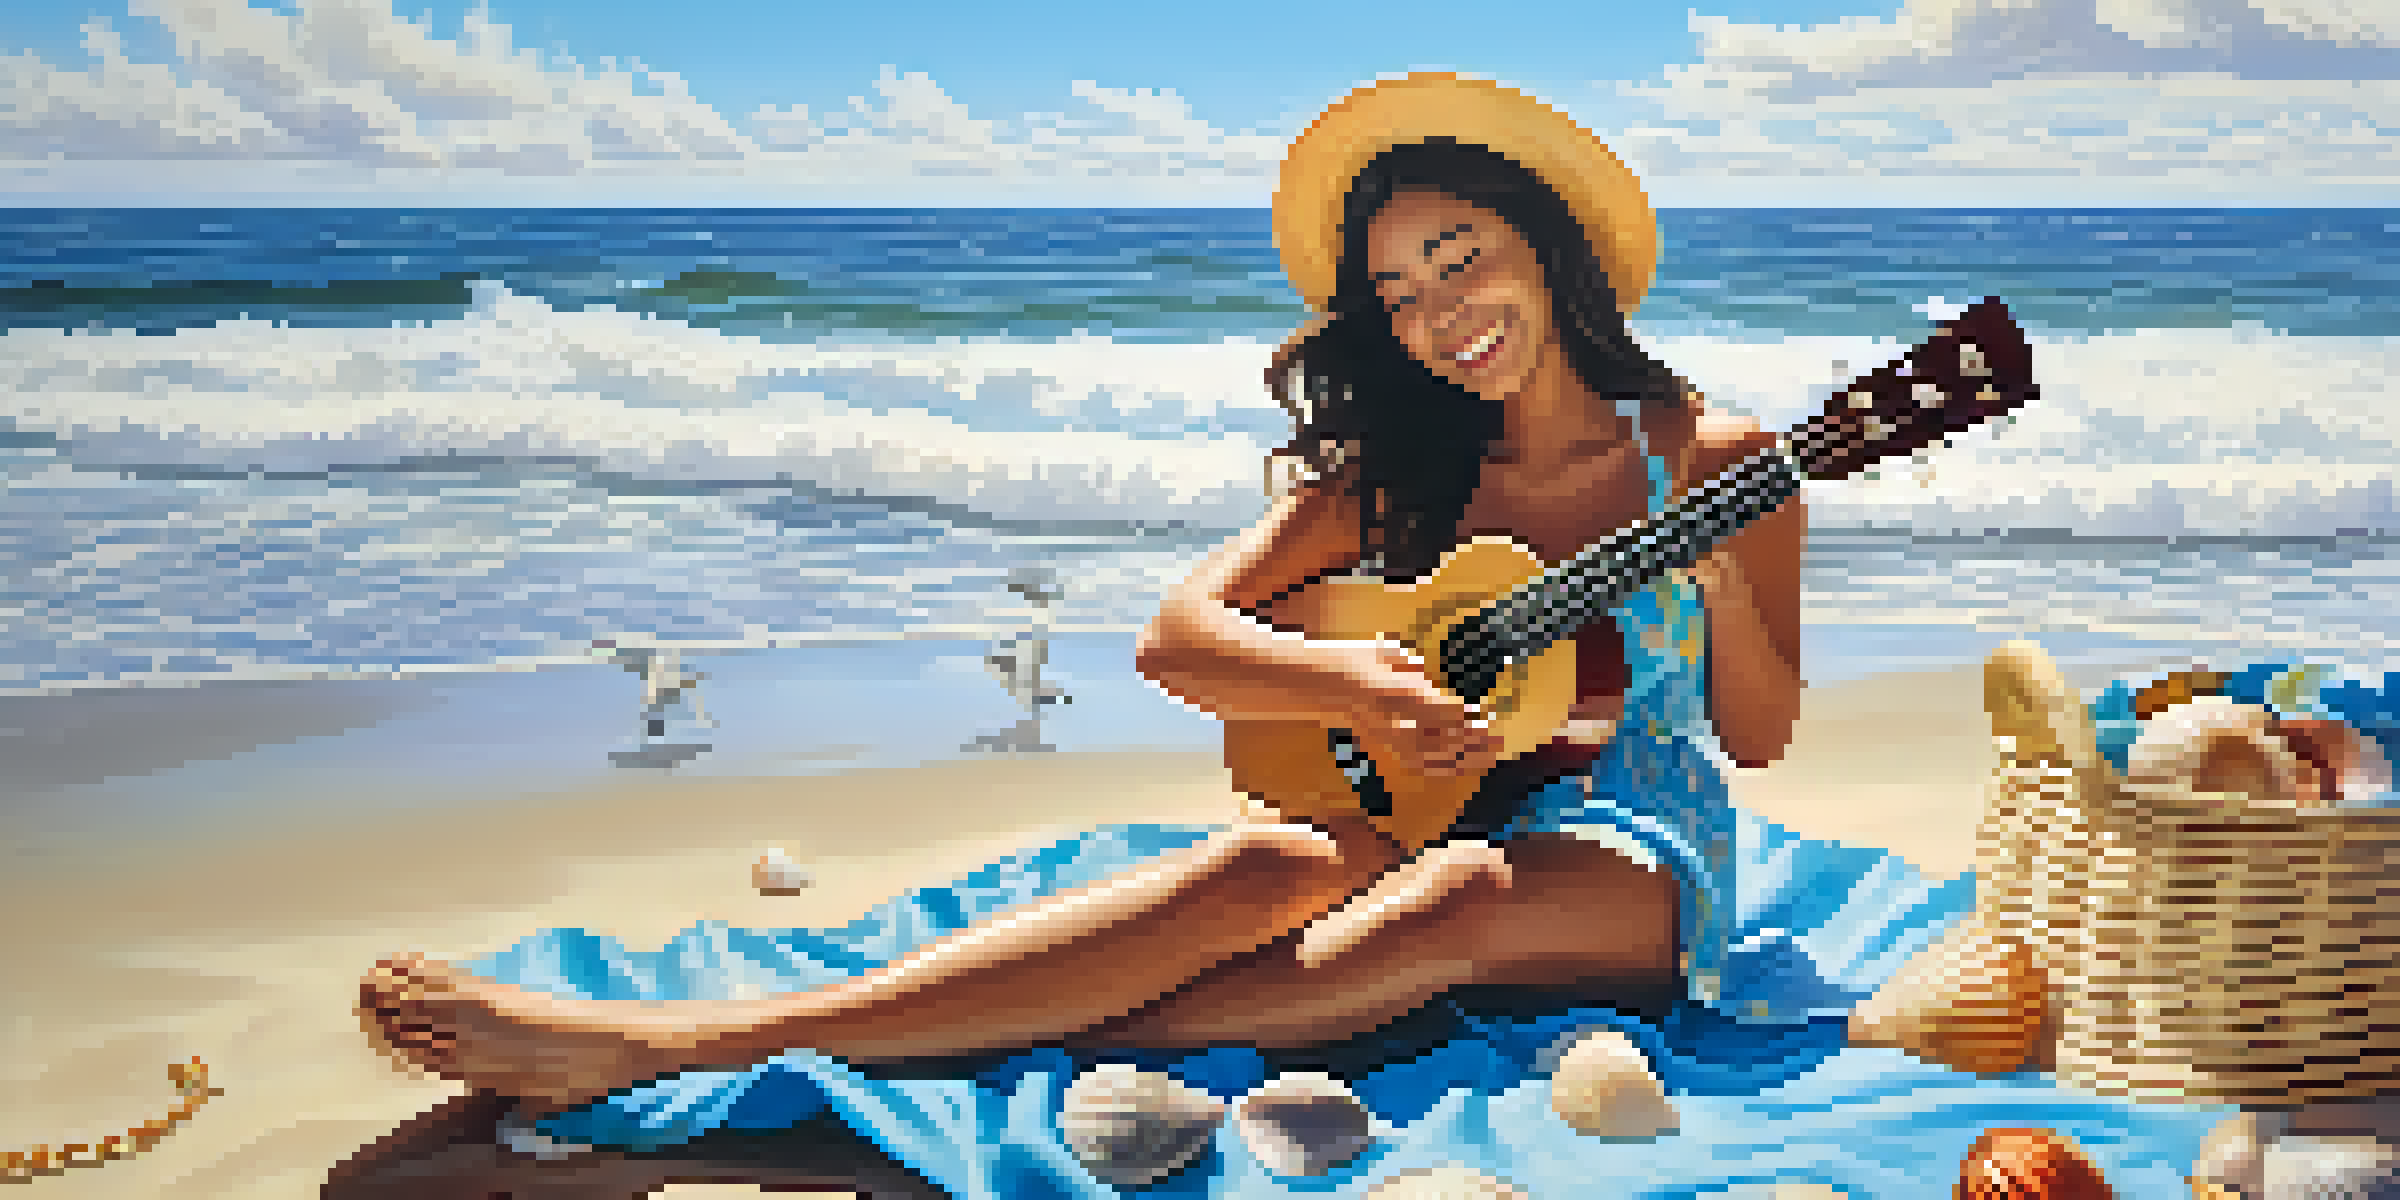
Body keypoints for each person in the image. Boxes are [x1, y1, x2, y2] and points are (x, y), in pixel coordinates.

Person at [356, 72, 1807, 1120]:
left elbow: (1754, 738)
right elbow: (1178, 637)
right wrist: (1356, 685)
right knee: (1247, 877)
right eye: (1398, 295)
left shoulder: (1718, 457)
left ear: (1545, 247)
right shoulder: (1400, 466)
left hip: (1629, 837)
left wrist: (1723, 579)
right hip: (1422, 792)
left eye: (1460, 257)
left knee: (1452, 903)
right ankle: (774, 1034)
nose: (1441, 313)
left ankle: (700, 1054)